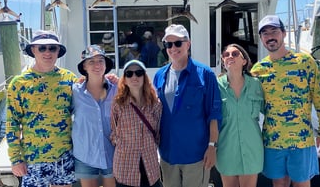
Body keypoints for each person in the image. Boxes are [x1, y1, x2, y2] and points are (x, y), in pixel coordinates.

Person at [251, 15, 320, 187]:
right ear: (261, 38)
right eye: (265, 33)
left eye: (274, 31)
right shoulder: (258, 70)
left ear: (284, 33)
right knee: (279, 184)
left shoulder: (305, 62)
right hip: (273, 140)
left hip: (302, 140)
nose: (270, 36)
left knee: (302, 184)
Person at [153, 24, 222, 187]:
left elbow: (214, 114)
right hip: (168, 155)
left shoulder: (205, 74)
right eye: (168, 44)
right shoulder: (159, 75)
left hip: (196, 155)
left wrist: (212, 146)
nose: (173, 48)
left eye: (178, 43)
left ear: (188, 44)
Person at [6, 30, 77, 187]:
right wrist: (16, 159)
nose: (47, 52)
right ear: (33, 50)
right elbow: (12, 123)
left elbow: (88, 100)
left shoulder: (70, 79)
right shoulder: (18, 83)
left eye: (52, 48)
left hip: (64, 157)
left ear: (58, 51)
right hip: (33, 160)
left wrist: (109, 80)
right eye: (42, 48)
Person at [216, 44, 264, 187]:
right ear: (223, 61)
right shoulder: (216, 86)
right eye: (226, 54)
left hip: (252, 149)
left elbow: (270, 112)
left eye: (235, 54)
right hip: (226, 149)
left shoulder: (256, 85)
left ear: (244, 61)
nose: (230, 57)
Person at [110, 59, 162, 187]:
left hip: (150, 166)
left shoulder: (155, 104)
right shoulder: (118, 104)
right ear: (125, 79)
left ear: (144, 77)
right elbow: (114, 132)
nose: (134, 77)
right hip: (125, 167)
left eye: (139, 73)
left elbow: (158, 132)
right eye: (129, 74)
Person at [72, 45, 117, 187]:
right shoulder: (74, 91)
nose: (97, 65)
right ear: (84, 66)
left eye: (100, 61)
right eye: (91, 61)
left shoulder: (117, 89)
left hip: (113, 154)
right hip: (85, 155)